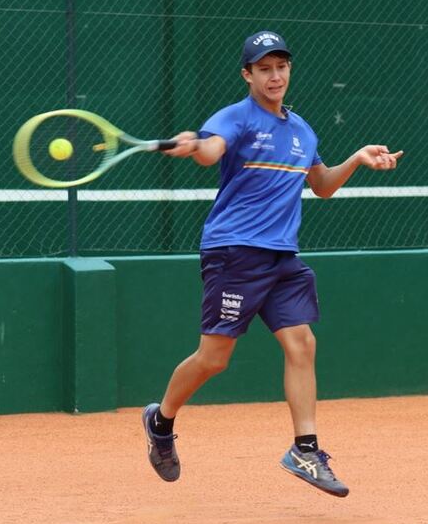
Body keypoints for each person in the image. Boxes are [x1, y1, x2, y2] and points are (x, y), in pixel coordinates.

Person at [141, 30, 402, 497]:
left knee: (302, 343)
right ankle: (161, 421)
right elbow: (212, 150)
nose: (275, 75)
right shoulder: (234, 118)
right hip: (234, 252)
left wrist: (356, 160)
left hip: (282, 256)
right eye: (264, 68)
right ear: (248, 74)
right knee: (213, 360)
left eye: (281, 66)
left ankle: (305, 449)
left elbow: (321, 185)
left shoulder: (302, 130)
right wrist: (196, 144)